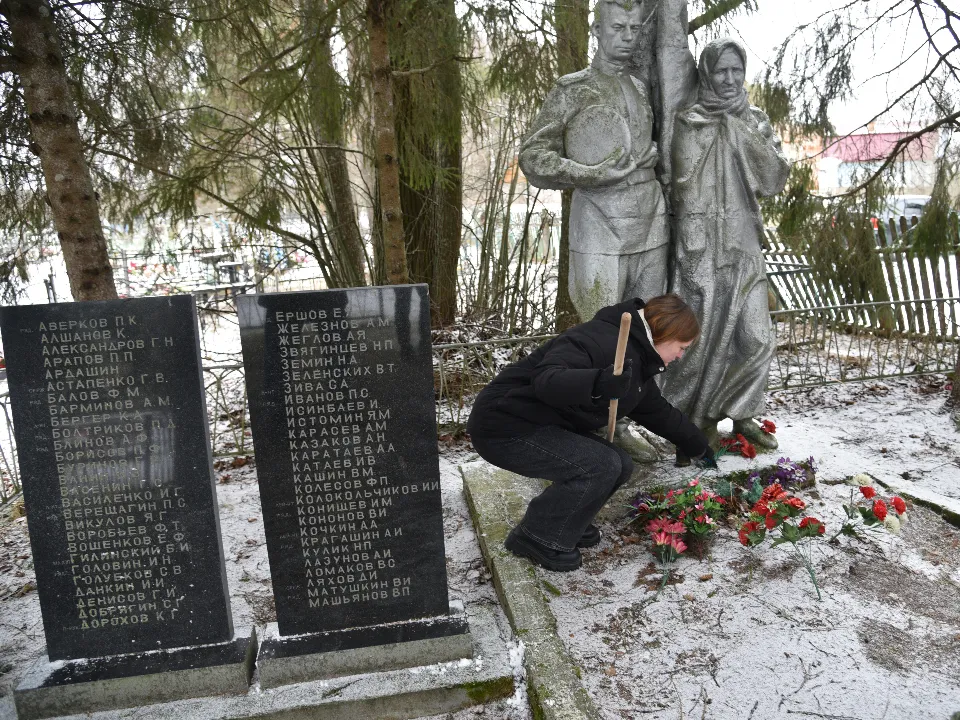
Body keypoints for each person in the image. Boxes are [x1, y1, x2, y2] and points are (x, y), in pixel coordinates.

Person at [466, 294, 715, 571]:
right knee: (600, 466)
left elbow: (657, 411)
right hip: (504, 425)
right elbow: (547, 380)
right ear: (665, 333)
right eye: (682, 347)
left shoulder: (638, 357)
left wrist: (696, 444)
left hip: (539, 423)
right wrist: (597, 383)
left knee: (621, 464)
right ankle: (536, 537)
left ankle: (567, 522)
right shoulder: (599, 339)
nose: (681, 356)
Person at [656, 3, 791, 460]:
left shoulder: (755, 121)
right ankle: (696, 423)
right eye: (721, 70)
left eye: (737, 70)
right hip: (699, 248)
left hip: (743, 245)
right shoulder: (689, 119)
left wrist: (739, 125)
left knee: (756, 337)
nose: (730, 79)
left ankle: (742, 411)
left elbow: (773, 179)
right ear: (707, 73)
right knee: (696, 339)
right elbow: (679, 183)